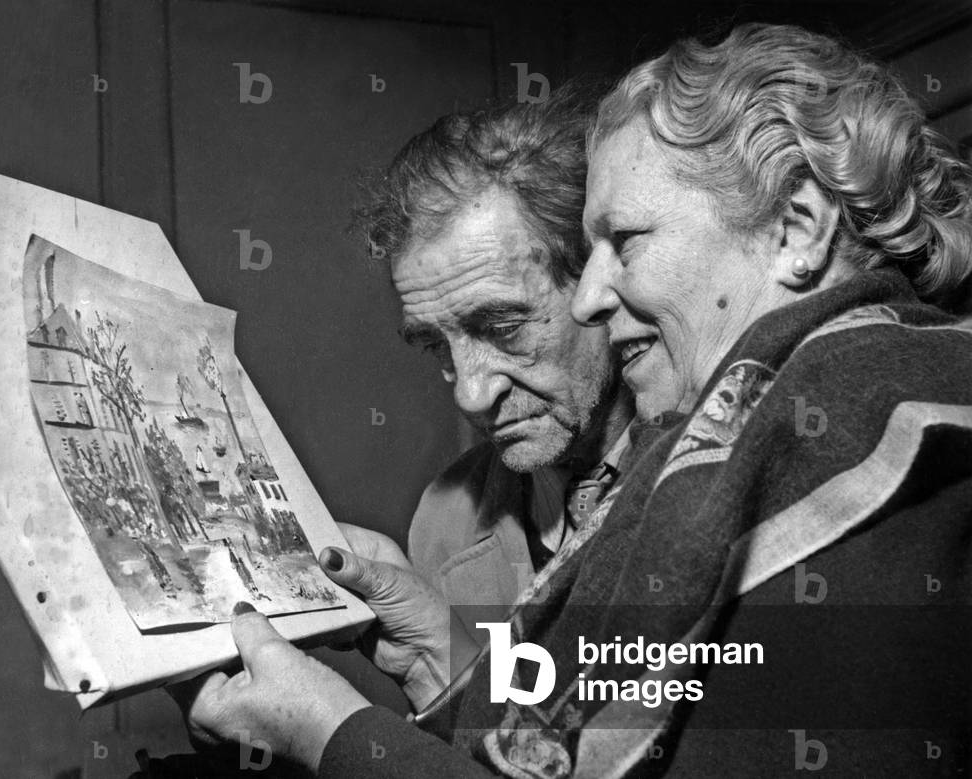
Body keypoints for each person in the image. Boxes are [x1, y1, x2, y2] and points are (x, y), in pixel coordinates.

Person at [160, 22, 972, 778]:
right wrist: (438, 652)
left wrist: (332, 732)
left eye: (623, 243)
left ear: (796, 228)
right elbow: (590, 717)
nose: (471, 390)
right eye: (435, 347)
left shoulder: (836, 453)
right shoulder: (748, 434)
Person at [360, 88, 635, 621]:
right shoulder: (442, 522)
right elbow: (503, 704)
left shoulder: (722, 476)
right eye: (437, 344)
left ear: (604, 281)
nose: (470, 394)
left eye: (504, 327)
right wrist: (430, 662)